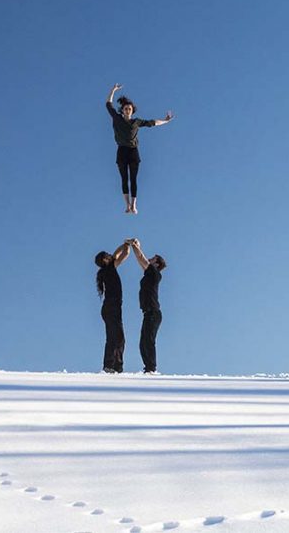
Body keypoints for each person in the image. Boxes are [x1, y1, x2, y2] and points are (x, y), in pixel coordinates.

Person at [106, 84, 174, 214]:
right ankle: (127, 205)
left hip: (133, 151)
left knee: (134, 179)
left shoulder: (136, 122)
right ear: (122, 110)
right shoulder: (117, 118)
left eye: (130, 109)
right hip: (121, 151)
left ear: (132, 111)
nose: (127, 110)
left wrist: (165, 121)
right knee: (124, 178)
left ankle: (134, 205)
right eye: (126, 108)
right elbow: (108, 104)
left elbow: (152, 123)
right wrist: (113, 90)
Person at [129, 239, 167, 374]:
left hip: (153, 313)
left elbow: (141, 258)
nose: (150, 259)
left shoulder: (154, 273)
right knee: (143, 343)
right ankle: (148, 368)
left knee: (148, 341)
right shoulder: (149, 273)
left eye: (153, 258)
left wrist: (134, 245)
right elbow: (142, 261)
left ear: (156, 264)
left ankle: (151, 369)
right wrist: (136, 247)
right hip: (148, 313)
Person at [94, 242, 131, 373]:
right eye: (107, 255)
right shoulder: (110, 268)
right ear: (105, 260)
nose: (110, 255)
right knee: (118, 338)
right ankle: (114, 366)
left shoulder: (107, 269)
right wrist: (127, 245)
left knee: (113, 337)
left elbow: (119, 253)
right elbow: (124, 253)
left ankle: (112, 365)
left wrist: (125, 244)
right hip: (112, 307)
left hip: (110, 308)